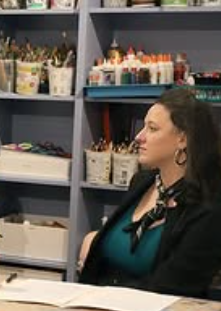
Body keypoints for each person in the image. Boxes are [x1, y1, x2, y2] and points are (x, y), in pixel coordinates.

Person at [79, 88, 221, 298]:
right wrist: (95, 242)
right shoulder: (142, 182)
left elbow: (173, 287)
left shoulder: (209, 206)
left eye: (152, 129)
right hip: (98, 305)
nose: (139, 137)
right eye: (143, 127)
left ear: (183, 139)